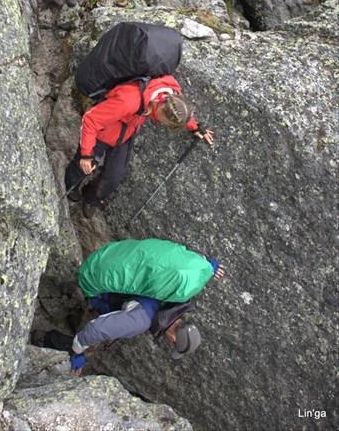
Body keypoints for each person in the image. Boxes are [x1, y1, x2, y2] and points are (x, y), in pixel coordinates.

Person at [32, 241, 225, 375]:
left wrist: (207, 264)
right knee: (89, 341)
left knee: (98, 329)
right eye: (172, 344)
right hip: (97, 286)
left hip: (113, 256)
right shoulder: (142, 320)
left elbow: (181, 260)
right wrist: (77, 352)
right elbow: (95, 329)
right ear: (173, 338)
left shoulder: (177, 295)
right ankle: (45, 337)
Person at [65, 76, 214, 218]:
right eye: (166, 122)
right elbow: (91, 120)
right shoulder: (129, 101)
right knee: (82, 165)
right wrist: (86, 154)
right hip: (103, 131)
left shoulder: (170, 93)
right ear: (160, 107)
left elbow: (180, 110)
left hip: (126, 133)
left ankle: (92, 198)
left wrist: (194, 127)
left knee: (114, 175)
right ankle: (71, 184)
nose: (163, 124)